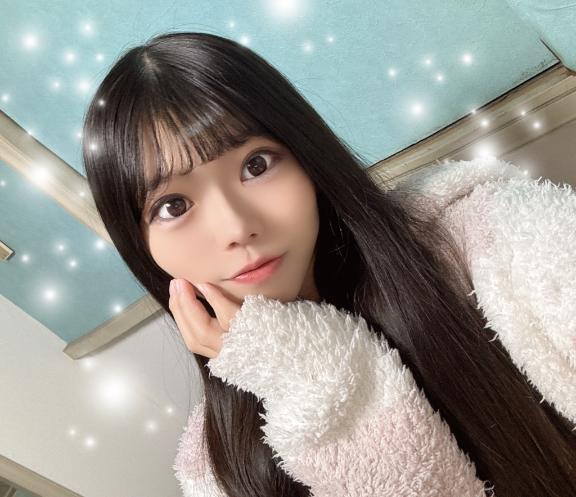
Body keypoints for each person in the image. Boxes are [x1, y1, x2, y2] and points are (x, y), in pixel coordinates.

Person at [81, 31, 576, 497]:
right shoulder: (212, 467)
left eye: (256, 165)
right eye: (173, 206)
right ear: (142, 247)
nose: (236, 227)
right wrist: (301, 374)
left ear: (307, 158)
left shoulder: (489, 233)